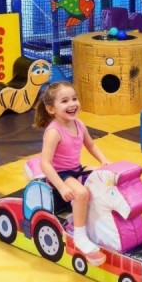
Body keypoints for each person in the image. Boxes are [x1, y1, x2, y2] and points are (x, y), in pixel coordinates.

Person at [32, 81, 110, 266]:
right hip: (60, 174)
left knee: (106, 177)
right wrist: (61, 187)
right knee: (81, 193)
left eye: (74, 99)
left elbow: (91, 145)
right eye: (65, 101)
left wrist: (104, 161)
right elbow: (45, 163)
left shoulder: (79, 124)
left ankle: (98, 221)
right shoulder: (53, 132)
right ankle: (80, 235)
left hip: (76, 170)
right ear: (51, 109)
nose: (72, 104)